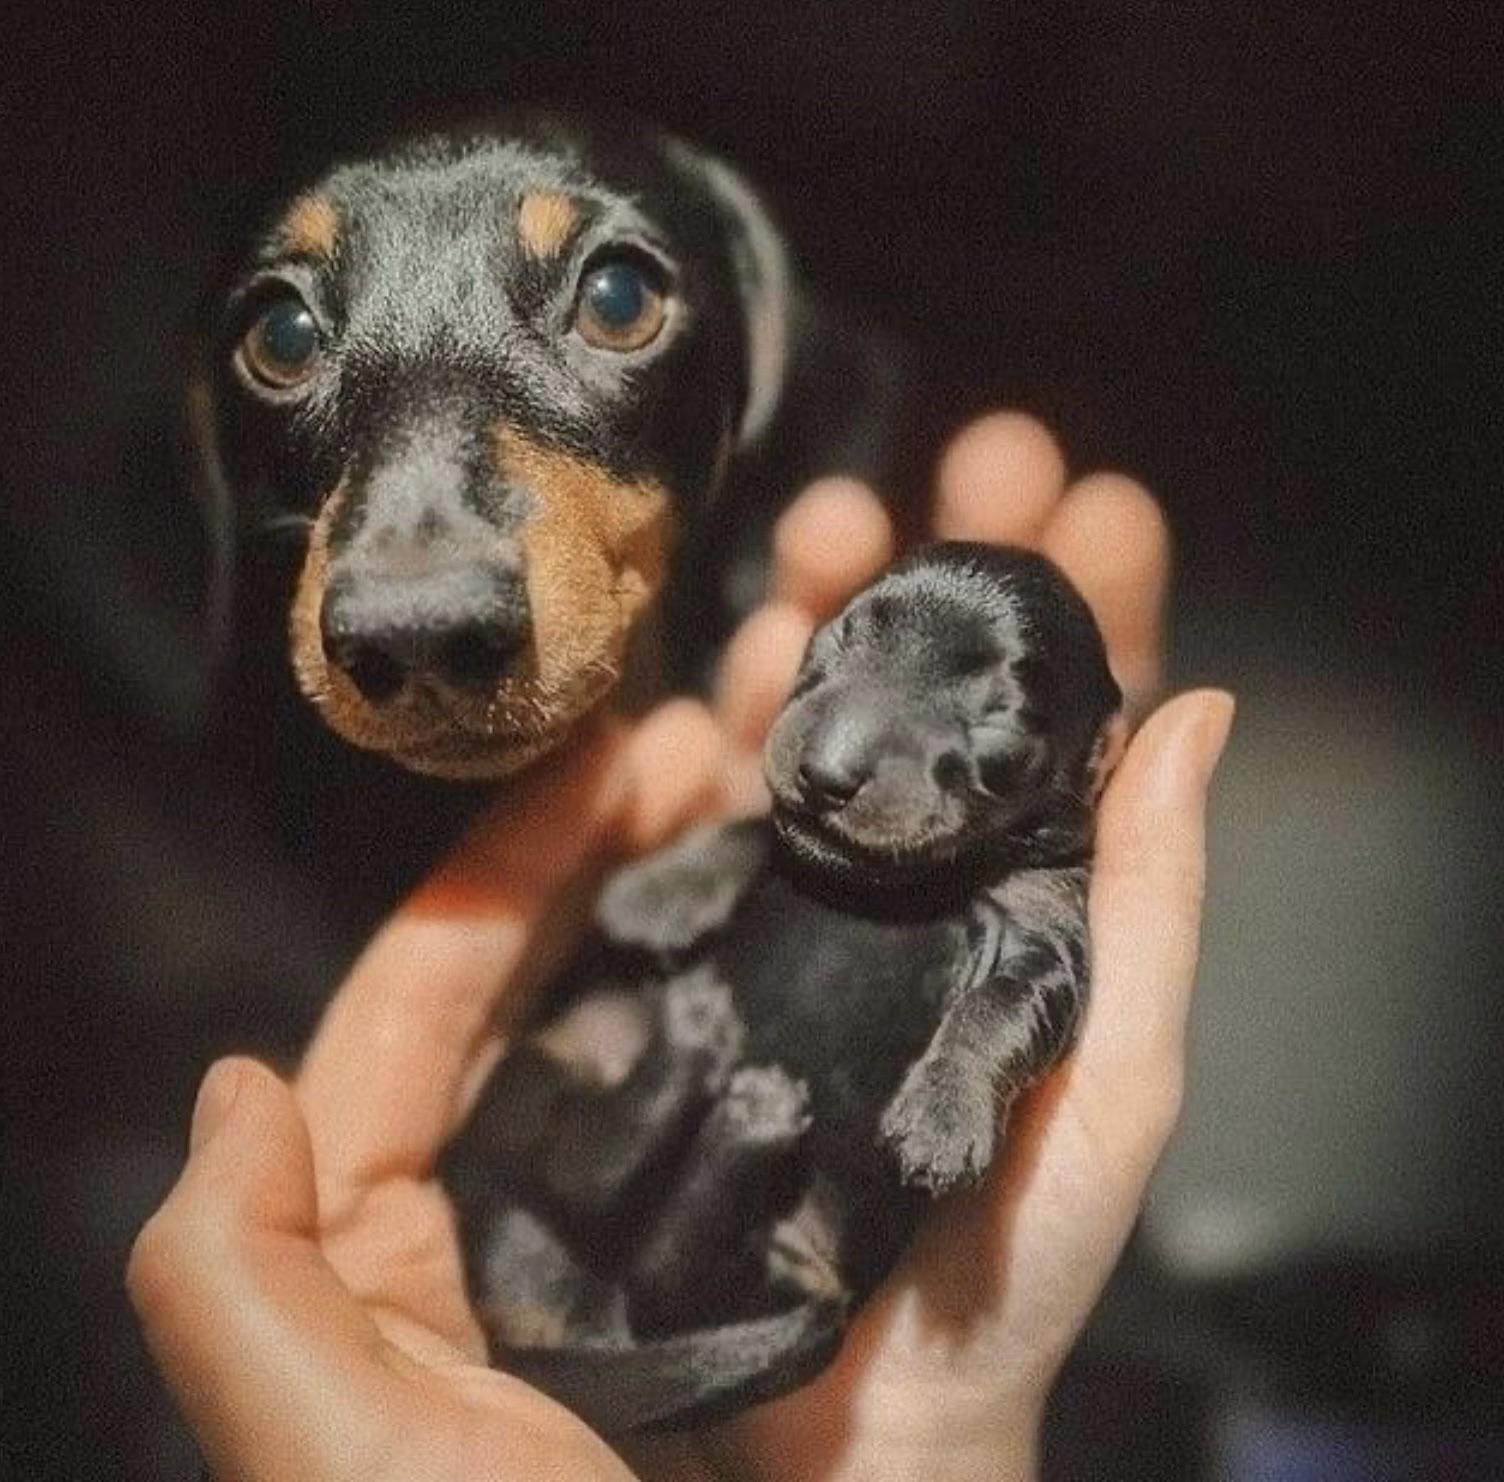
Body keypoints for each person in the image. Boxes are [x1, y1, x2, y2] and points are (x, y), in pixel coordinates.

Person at [127, 412, 1233, 1482]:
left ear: (1091, 767)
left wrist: (969, 1066)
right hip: (574, 1164)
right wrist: (703, 868)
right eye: (847, 647)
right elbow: (748, 852)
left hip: (744, 1245)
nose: (840, 750)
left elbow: (1038, 980)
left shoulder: (1030, 891)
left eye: (989, 725)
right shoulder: (787, 817)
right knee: (583, 1065)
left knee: (769, 1271)